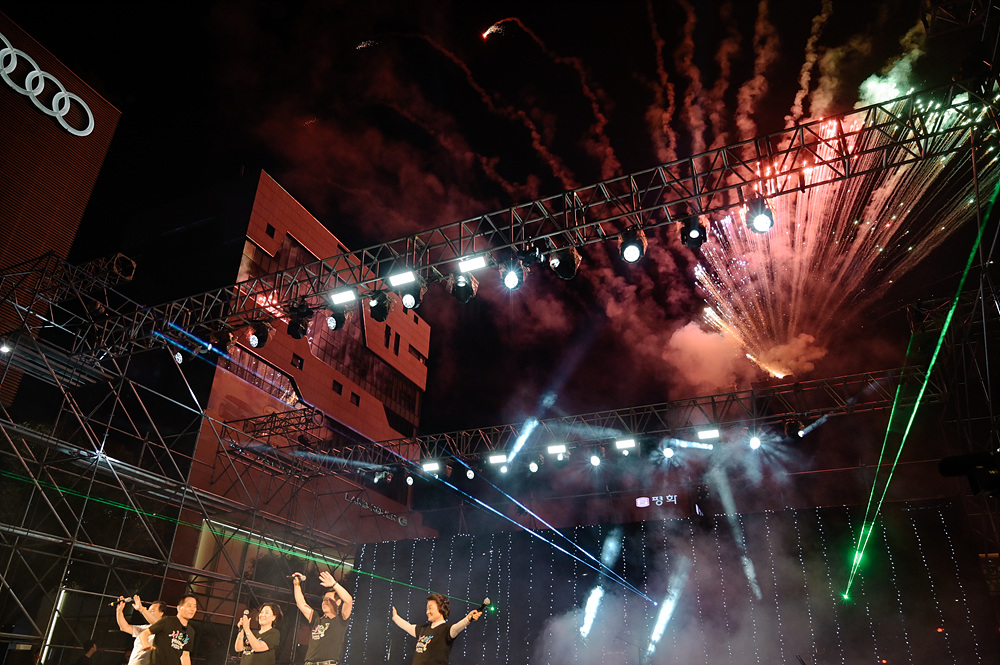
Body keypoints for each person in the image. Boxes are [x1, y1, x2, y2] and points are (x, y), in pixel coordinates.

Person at [391, 593, 482, 665]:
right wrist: (395, 617)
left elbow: (458, 627)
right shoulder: (422, 629)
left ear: (441, 608)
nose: (427, 612)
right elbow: (408, 627)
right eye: (426, 609)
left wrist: (468, 619)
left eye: (430, 608)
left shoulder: (446, 630)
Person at [291, 570, 352, 665]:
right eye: (324, 599)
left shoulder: (340, 620)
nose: (324, 602)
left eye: (328, 600)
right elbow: (301, 604)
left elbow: (348, 600)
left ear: (338, 602)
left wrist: (334, 584)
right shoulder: (317, 619)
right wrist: (296, 585)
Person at [138, 595, 197, 665]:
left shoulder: (190, 631)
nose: (192, 609)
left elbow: (185, 655)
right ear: (179, 608)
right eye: (189, 606)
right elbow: (144, 633)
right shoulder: (167, 621)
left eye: (194, 606)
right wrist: (145, 643)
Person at [116, 595, 165, 665]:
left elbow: (157, 624)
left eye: (153, 611)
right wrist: (119, 611)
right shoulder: (144, 628)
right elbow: (124, 627)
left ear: (161, 613)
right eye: (149, 610)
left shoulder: (163, 628)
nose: (149, 612)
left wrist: (141, 609)